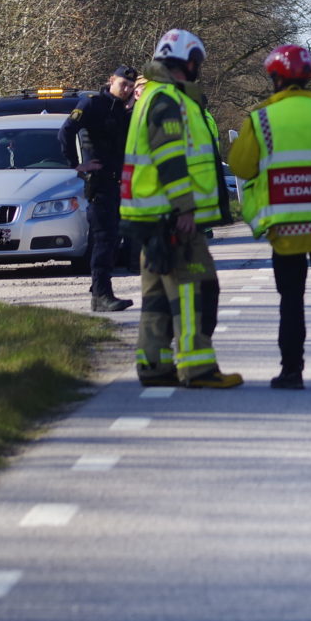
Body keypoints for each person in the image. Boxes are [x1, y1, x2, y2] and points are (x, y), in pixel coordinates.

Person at [120, 29, 241, 389]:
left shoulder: (151, 96)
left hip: (150, 217)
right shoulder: (167, 100)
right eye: (197, 63)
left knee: (156, 295)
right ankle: (198, 368)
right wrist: (185, 210)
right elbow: (170, 158)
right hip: (172, 219)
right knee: (196, 289)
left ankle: (154, 365)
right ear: (187, 62)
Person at [229, 44, 311, 391]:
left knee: (291, 302)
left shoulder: (261, 119)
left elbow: (240, 166)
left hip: (285, 229)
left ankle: (292, 371)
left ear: (274, 79)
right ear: (310, 77)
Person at [61, 66, 138, 312]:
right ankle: (102, 296)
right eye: (123, 84)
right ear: (111, 80)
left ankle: (99, 288)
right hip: (101, 182)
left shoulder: (125, 110)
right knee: (104, 239)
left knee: (114, 239)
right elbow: (65, 132)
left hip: (120, 182)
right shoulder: (91, 104)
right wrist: (76, 164)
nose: (125, 89)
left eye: (130, 86)